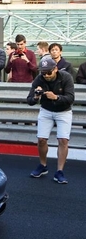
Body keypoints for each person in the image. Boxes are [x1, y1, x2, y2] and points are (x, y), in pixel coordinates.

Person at [27, 56, 74, 184]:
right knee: (41, 139)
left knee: (63, 140)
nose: (46, 75)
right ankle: (43, 165)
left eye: (49, 72)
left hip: (64, 111)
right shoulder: (39, 79)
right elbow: (29, 100)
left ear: (55, 69)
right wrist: (36, 96)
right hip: (46, 110)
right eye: (43, 72)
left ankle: (60, 171)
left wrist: (56, 97)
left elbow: (71, 98)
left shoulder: (66, 77)